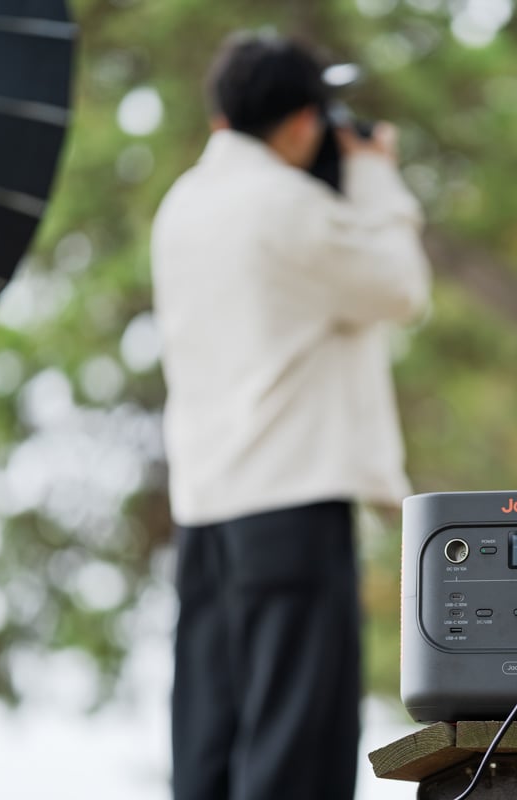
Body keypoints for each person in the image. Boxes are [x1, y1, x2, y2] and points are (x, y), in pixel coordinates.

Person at [150, 32, 432, 800]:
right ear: (305, 122)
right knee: (295, 752)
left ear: (220, 120)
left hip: (207, 511)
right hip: (290, 502)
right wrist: (373, 177)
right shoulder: (287, 205)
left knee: (211, 743)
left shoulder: (181, 205)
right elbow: (400, 287)